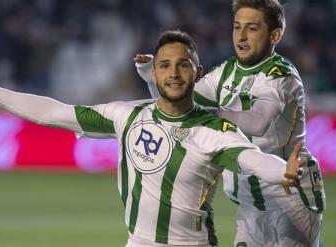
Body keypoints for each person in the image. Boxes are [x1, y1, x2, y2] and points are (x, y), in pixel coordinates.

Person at [0, 30, 305, 246]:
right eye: (164, 65)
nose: (173, 73)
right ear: (155, 73)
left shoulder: (214, 130)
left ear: (198, 73)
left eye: (182, 65)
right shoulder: (127, 115)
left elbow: (253, 160)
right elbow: (53, 112)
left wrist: (284, 171)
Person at [134, 1, 325, 247]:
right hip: (250, 204)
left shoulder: (280, 75)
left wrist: (210, 115)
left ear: (275, 35)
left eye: (252, 28)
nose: (241, 36)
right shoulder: (226, 72)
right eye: (237, 27)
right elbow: (176, 107)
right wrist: (153, 77)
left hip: (290, 200)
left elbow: (259, 122)